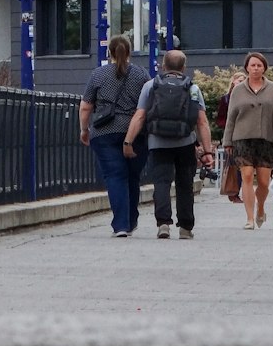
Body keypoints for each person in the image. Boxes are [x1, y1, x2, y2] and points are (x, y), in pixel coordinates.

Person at [124, 49, 214, 239]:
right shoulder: (193, 88)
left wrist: (128, 141)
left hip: (158, 142)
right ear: (184, 67)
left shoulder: (151, 85)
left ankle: (163, 223)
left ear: (163, 66)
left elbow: (140, 116)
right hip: (185, 142)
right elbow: (202, 121)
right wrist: (207, 151)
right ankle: (186, 227)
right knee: (185, 184)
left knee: (162, 183)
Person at [79, 35, 149, 237]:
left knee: (115, 177)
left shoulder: (98, 74)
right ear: (129, 52)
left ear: (109, 52)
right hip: (135, 132)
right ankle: (131, 220)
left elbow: (85, 107)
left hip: (105, 131)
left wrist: (85, 130)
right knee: (132, 176)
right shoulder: (141, 74)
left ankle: (121, 225)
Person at [222, 51, 273, 229]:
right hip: (242, 139)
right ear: (247, 68)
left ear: (264, 67)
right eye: (252, 65)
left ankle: (261, 208)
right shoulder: (238, 90)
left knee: (264, 181)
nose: (256, 68)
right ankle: (249, 218)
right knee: (247, 176)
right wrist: (228, 141)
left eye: (259, 65)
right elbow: (231, 117)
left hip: (267, 139)